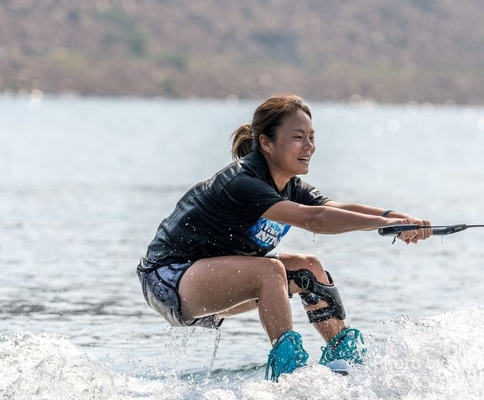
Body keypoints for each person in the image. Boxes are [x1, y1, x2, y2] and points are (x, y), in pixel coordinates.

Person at [136, 94, 432, 381]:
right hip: (167, 278)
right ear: (266, 142)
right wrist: (386, 225)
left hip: (210, 276)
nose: (309, 146)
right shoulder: (243, 182)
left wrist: (396, 218)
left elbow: (333, 209)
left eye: (312, 136)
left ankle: (346, 367)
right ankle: (290, 379)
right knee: (271, 270)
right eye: (298, 137)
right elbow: (314, 219)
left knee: (309, 269)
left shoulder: (291, 186)